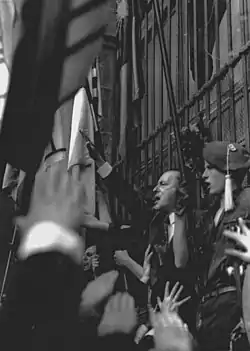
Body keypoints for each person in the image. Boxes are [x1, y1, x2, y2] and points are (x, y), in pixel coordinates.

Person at [86, 139, 196, 332]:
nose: (156, 189)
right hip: (159, 310)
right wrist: (101, 163)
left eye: (163, 184)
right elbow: (128, 196)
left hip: (186, 308)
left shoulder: (194, 220)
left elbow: (182, 264)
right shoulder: (156, 224)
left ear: (180, 191)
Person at [194, 141, 250, 351]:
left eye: (210, 168)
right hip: (210, 314)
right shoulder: (211, 215)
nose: (203, 176)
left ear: (226, 171)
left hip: (235, 310)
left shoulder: (247, 203)